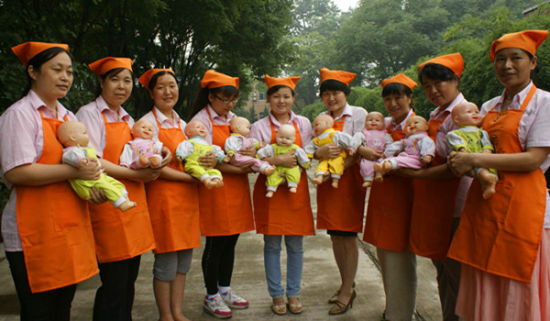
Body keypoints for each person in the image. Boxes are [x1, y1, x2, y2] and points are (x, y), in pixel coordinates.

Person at [448, 29, 550, 321]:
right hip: (484, 204)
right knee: (484, 278)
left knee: (518, 281)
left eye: (515, 58)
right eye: (500, 59)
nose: (506, 65)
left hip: (524, 207)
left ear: (532, 62)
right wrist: (462, 159)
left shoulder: (544, 103)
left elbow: (534, 159)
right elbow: (471, 143)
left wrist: (474, 158)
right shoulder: (488, 106)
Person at [0, 41, 100, 320]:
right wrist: (74, 172)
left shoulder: (67, 116)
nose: (66, 77)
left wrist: (92, 186)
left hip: (68, 226)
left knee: (62, 307)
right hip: (34, 230)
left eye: (69, 71)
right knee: (38, 310)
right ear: (33, 71)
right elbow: (17, 172)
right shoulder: (19, 115)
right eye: (57, 69)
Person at [77, 57, 166, 321]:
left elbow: (142, 148)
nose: (121, 86)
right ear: (101, 82)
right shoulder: (89, 113)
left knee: (129, 280)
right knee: (113, 283)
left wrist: (163, 154)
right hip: (107, 204)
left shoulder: (128, 118)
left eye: (127, 81)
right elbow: (92, 159)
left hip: (133, 204)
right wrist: (132, 174)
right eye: (115, 79)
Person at [403, 52, 473, 321]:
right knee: (443, 270)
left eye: (439, 83)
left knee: (458, 275)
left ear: (455, 80)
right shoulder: (434, 114)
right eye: (427, 86)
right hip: (437, 204)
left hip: (459, 204)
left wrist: (416, 176)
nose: (433, 90)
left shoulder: (463, 114)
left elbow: (459, 165)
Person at [188, 69, 254, 319]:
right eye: (223, 99)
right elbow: (202, 158)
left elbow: (246, 146)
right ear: (210, 97)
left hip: (235, 190)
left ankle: (225, 289)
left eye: (232, 99)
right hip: (215, 189)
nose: (228, 105)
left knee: (231, 242)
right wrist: (235, 167)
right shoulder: (200, 121)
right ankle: (211, 294)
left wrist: (249, 154)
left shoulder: (234, 118)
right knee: (216, 243)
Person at [138, 68, 201, 321]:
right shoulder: (147, 124)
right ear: (152, 93)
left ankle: (178, 311)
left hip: (187, 201)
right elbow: (156, 167)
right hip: (163, 199)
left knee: (183, 261)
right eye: (161, 87)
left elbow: (191, 158)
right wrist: (190, 177)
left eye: (172, 86)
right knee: (166, 263)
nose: (168, 91)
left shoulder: (183, 124)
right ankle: (165, 315)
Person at [249, 74, 315, 315]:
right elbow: (253, 158)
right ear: (268, 99)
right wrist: (275, 159)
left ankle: (294, 293)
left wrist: (296, 160)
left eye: (286, 96)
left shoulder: (304, 124)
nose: (281, 101)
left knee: (296, 244)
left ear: (293, 99)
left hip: (295, 189)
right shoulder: (258, 127)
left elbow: (309, 152)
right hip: (269, 188)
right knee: (272, 244)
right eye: (276, 96)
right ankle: (276, 294)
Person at [362, 73, 418, 321]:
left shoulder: (416, 126)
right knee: (385, 254)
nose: (393, 104)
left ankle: (400, 314)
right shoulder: (385, 124)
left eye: (398, 98)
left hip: (405, 197)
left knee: (400, 258)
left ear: (410, 98)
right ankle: (392, 309)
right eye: (388, 99)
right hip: (383, 196)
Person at [314, 67, 366, 315]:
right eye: (326, 94)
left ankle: (347, 290)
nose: (331, 98)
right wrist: (318, 155)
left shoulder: (358, 114)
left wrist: (338, 168)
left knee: (348, 235)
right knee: (335, 234)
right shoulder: (321, 118)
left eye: (335, 93)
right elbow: (310, 147)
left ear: (345, 93)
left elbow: (360, 147)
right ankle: (346, 282)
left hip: (349, 181)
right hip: (328, 182)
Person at [57, 121, 136, 212]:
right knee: (107, 187)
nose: (88, 135)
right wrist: (81, 161)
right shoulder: (72, 151)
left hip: (97, 177)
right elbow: (71, 157)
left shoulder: (84, 149)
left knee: (115, 183)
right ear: (73, 137)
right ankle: (121, 204)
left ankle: (125, 197)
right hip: (86, 182)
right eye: (84, 133)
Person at [446, 102, 497, 199]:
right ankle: (488, 182)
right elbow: (457, 143)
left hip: (483, 156)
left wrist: (487, 150)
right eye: (469, 112)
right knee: (478, 170)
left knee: (485, 168)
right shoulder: (456, 133)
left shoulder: (482, 132)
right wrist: (462, 150)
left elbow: (486, 142)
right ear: (457, 119)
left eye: (477, 112)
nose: (475, 114)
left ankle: (489, 183)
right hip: (469, 156)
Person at [354, 111, 393, 187]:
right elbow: (356, 141)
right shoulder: (363, 133)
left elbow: (390, 144)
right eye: (370, 120)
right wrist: (354, 149)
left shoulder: (385, 134)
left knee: (384, 163)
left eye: (377, 120)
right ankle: (368, 179)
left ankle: (379, 174)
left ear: (383, 124)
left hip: (381, 155)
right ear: (365, 124)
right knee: (365, 165)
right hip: (367, 156)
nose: (373, 122)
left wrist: (387, 152)